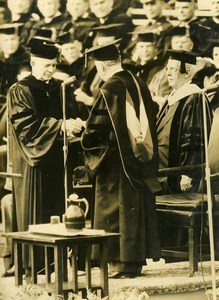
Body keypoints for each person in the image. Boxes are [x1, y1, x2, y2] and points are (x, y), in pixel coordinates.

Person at [81, 40, 161, 278]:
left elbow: (98, 131)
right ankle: (133, 263)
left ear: (102, 66)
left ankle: (119, 263)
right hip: (139, 159)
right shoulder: (137, 82)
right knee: (132, 208)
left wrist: (84, 133)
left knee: (116, 209)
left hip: (115, 163)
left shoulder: (110, 88)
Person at [7, 37, 85, 275]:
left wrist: (75, 122)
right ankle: (35, 267)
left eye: (53, 65)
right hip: (34, 162)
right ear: (33, 62)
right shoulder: (20, 90)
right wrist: (60, 126)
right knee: (38, 211)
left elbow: (70, 114)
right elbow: (25, 126)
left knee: (59, 210)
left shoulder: (59, 87)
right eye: (46, 65)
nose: (51, 70)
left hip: (58, 160)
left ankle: (58, 265)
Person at [156, 50, 213, 194]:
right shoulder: (174, 96)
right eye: (167, 68)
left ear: (186, 73)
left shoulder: (193, 97)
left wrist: (188, 174)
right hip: (165, 171)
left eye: (173, 69)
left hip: (180, 176)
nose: (167, 73)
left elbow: (193, 140)